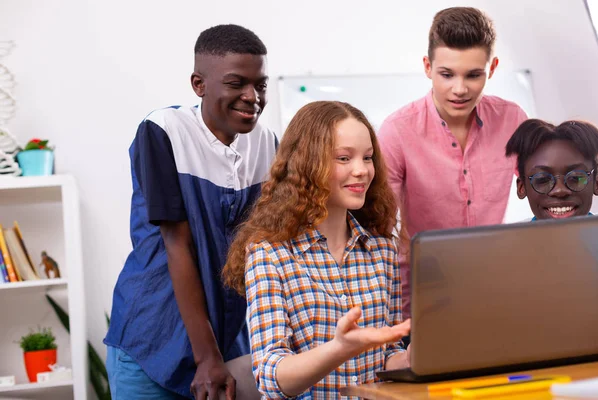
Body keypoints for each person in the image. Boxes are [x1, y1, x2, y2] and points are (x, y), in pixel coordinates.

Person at [104, 24, 277, 400]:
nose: (252, 97)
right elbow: (176, 243)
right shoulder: (164, 131)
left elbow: (265, 244)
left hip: (226, 341)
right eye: (237, 83)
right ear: (199, 84)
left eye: (260, 85)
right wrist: (207, 358)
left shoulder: (266, 142)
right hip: (154, 338)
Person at [222, 101, 411, 399]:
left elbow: (387, 354)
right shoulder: (269, 254)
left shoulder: (382, 248)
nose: (361, 170)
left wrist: (411, 359)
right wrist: (339, 349)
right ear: (308, 164)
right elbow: (271, 377)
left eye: (368, 157)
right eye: (344, 158)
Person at [378, 7, 528, 318]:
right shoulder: (397, 130)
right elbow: (379, 226)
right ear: (427, 66)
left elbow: (547, 185)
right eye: (447, 74)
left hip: (490, 288)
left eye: (474, 75)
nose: (460, 89)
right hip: (420, 298)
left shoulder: (513, 120)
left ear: (493, 67)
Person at [505, 119, 598, 220]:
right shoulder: (512, 236)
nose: (560, 190)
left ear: (597, 184)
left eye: (575, 178)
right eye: (542, 180)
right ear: (522, 187)